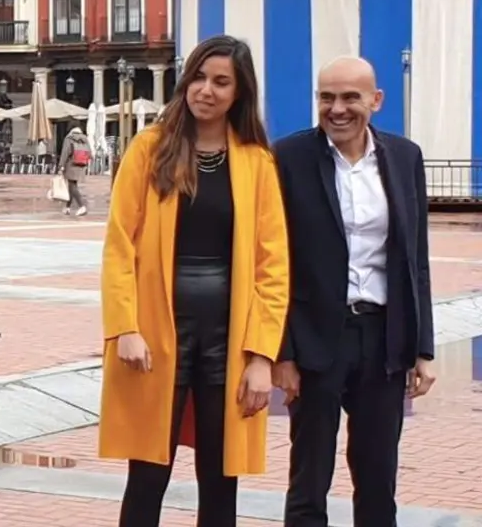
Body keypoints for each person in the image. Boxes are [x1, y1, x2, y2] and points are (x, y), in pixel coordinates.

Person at [98, 35, 290, 527]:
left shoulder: (257, 162)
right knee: (146, 474)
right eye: (199, 77)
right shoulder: (150, 150)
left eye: (221, 81)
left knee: (220, 478)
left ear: (239, 92)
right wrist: (125, 327)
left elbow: (273, 267)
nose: (206, 89)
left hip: (227, 338)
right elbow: (120, 244)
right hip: (157, 334)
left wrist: (261, 356)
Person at [272, 56, 436, 527]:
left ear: (375, 101)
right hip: (315, 341)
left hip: (384, 339)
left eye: (350, 97)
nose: (337, 108)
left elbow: (415, 260)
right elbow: (273, 262)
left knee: (378, 479)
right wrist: (281, 353)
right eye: (327, 97)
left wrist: (422, 348)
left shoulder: (405, 157)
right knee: (309, 480)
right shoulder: (288, 158)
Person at [58, 125, 91, 216]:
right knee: (72, 185)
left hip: (71, 164)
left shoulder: (69, 138)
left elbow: (65, 152)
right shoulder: (85, 139)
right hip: (81, 164)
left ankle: (82, 206)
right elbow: (90, 153)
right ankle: (67, 207)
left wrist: (61, 165)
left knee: (72, 186)